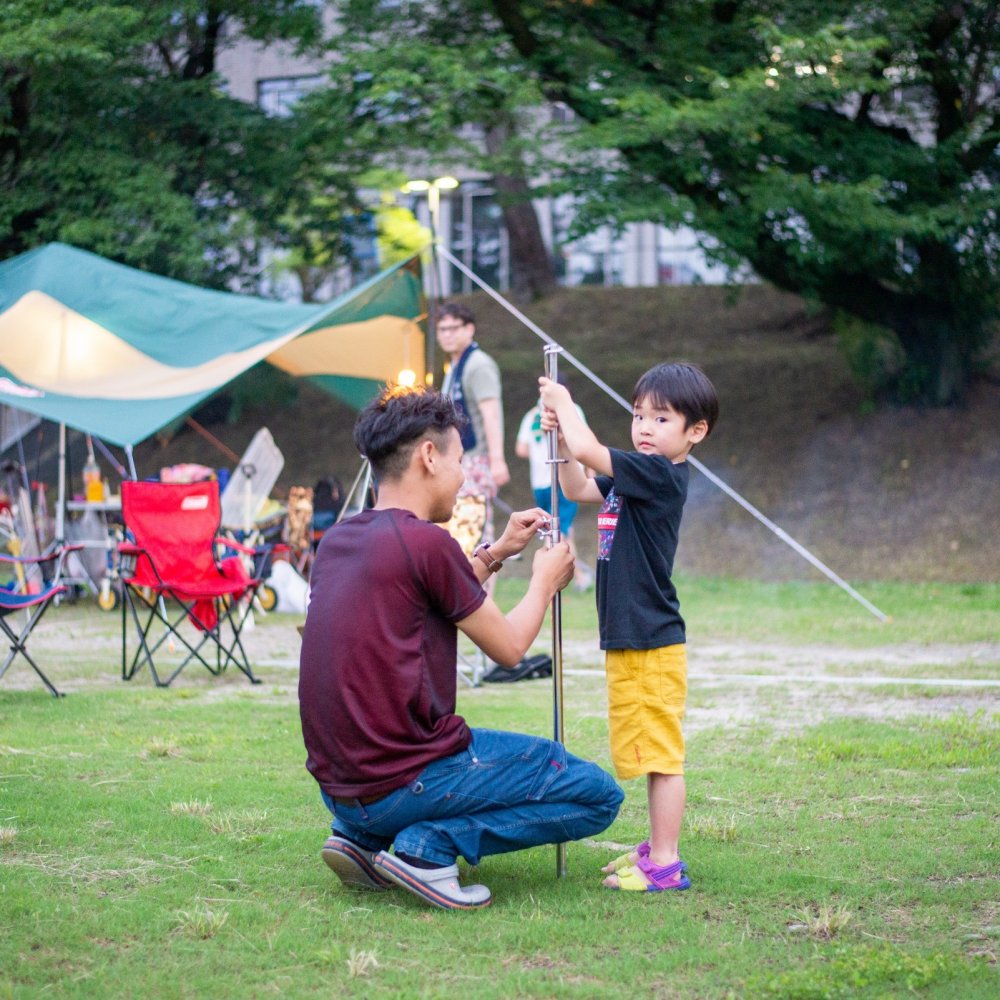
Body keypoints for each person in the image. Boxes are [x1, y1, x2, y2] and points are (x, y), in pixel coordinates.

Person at [299, 385, 624, 911]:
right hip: (406, 780)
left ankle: (362, 840)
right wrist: (544, 580)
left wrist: (495, 555)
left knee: (406, 788)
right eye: (459, 461)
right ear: (429, 456)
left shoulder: (340, 538)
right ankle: (427, 849)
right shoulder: (428, 542)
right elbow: (511, 648)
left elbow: (423, 599)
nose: (464, 477)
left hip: (342, 789)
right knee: (596, 795)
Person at [539, 362, 719, 893]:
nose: (644, 427)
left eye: (661, 419)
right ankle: (654, 848)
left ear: (695, 432)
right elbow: (576, 482)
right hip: (630, 637)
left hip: (650, 638)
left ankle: (664, 863)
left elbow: (594, 452)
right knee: (646, 748)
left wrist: (568, 407)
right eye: (638, 415)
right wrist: (560, 436)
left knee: (661, 755)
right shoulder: (636, 473)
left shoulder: (661, 474)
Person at [436, 303, 509, 552]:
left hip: (477, 460)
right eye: (442, 329)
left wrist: (497, 460)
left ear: (469, 329)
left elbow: (492, 414)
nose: (447, 334)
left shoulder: (478, 365)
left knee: (474, 535)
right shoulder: (455, 366)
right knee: (457, 535)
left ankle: (481, 590)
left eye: (453, 328)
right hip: (458, 460)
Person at [515, 375, 593, 591]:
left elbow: (520, 449)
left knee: (564, 529)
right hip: (565, 479)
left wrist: (538, 447)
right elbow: (584, 441)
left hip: (539, 481)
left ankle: (579, 577)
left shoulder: (531, 415)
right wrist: (590, 471)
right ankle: (542, 582)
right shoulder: (572, 410)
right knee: (556, 530)